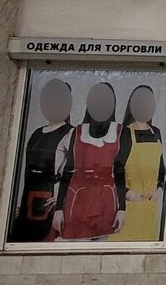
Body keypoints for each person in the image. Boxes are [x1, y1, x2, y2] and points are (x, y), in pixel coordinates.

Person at [53, 82, 123, 240]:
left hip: (106, 202)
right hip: (78, 200)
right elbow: (67, 172)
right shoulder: (76, 133)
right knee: (73, 247)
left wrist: (122, 209)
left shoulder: (120, 133)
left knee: (101, 248)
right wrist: (58, 209)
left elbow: (120, 173)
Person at [9, 79, 73, 242]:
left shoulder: (71, 134)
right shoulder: (37, 133)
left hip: (51, 209)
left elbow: (77, 172)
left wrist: (63, 198)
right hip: (27, 204)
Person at [110, 85, 166, 242]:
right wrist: (126, 193)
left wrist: (160, 188)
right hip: (129, 205)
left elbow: (161, 168)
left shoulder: (156, 132)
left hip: (150, 205)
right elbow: (116, 171)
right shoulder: (124, 133)